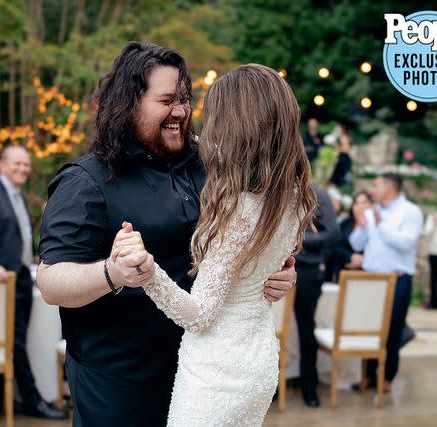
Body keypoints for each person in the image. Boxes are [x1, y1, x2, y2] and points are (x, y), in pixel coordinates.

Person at [37, 43, 299, 427]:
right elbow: (50, 282)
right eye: (166, 101)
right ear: (129, 104)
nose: (180, 111)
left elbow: (253, 233)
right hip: (121, 385)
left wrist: (276, 272)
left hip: (203, 376)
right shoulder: (86, 181)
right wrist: (112, 273)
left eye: (184, 99)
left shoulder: (211, 166)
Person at [0, 145, 67, 420]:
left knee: (14, 341)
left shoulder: (19, 197)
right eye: (17, 163)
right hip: (1, 281)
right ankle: (34, 400)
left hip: (22, 278)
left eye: (26, 164)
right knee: (15, 344)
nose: (23, 169)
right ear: (2, 165)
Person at [349, 173, 423, 392]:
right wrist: (362, 224)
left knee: (392, 329)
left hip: (396, 280)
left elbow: (407, 243)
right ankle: (368, 375)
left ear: (390, 187)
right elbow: (356, 243)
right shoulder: (373, 212)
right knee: (369, 328)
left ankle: (388, 376)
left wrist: (380, 225)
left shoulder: (410, 211)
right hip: (371, 280)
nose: (373, 189)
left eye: (377, 185)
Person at [293, 185, 339, 407]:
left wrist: (299, 239)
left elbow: (333, 232)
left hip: (307, 270)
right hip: (271, 269)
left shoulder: (318, 194)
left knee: (305, 328)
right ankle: (272, 386)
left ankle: (308, 385)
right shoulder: (271, 188)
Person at [330, 190, 372, 281]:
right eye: (356, 203)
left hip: (367, 273)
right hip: (344, 271)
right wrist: (351, 256)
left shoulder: (374, 226)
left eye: (364, 203)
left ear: (370, 205)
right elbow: (335, 245)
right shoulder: (345, 224)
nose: (360, 207)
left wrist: (363, 260)